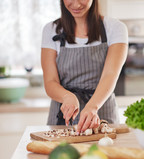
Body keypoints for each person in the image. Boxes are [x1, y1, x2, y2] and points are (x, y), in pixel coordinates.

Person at [41, 0, 128, 134]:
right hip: (63, 117)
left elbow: (110, 75)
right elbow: (50, 81)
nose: (76, 5)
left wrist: (92, 106)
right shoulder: (51, 30)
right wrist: (67, 97)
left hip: (102, 111)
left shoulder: (115, 28)